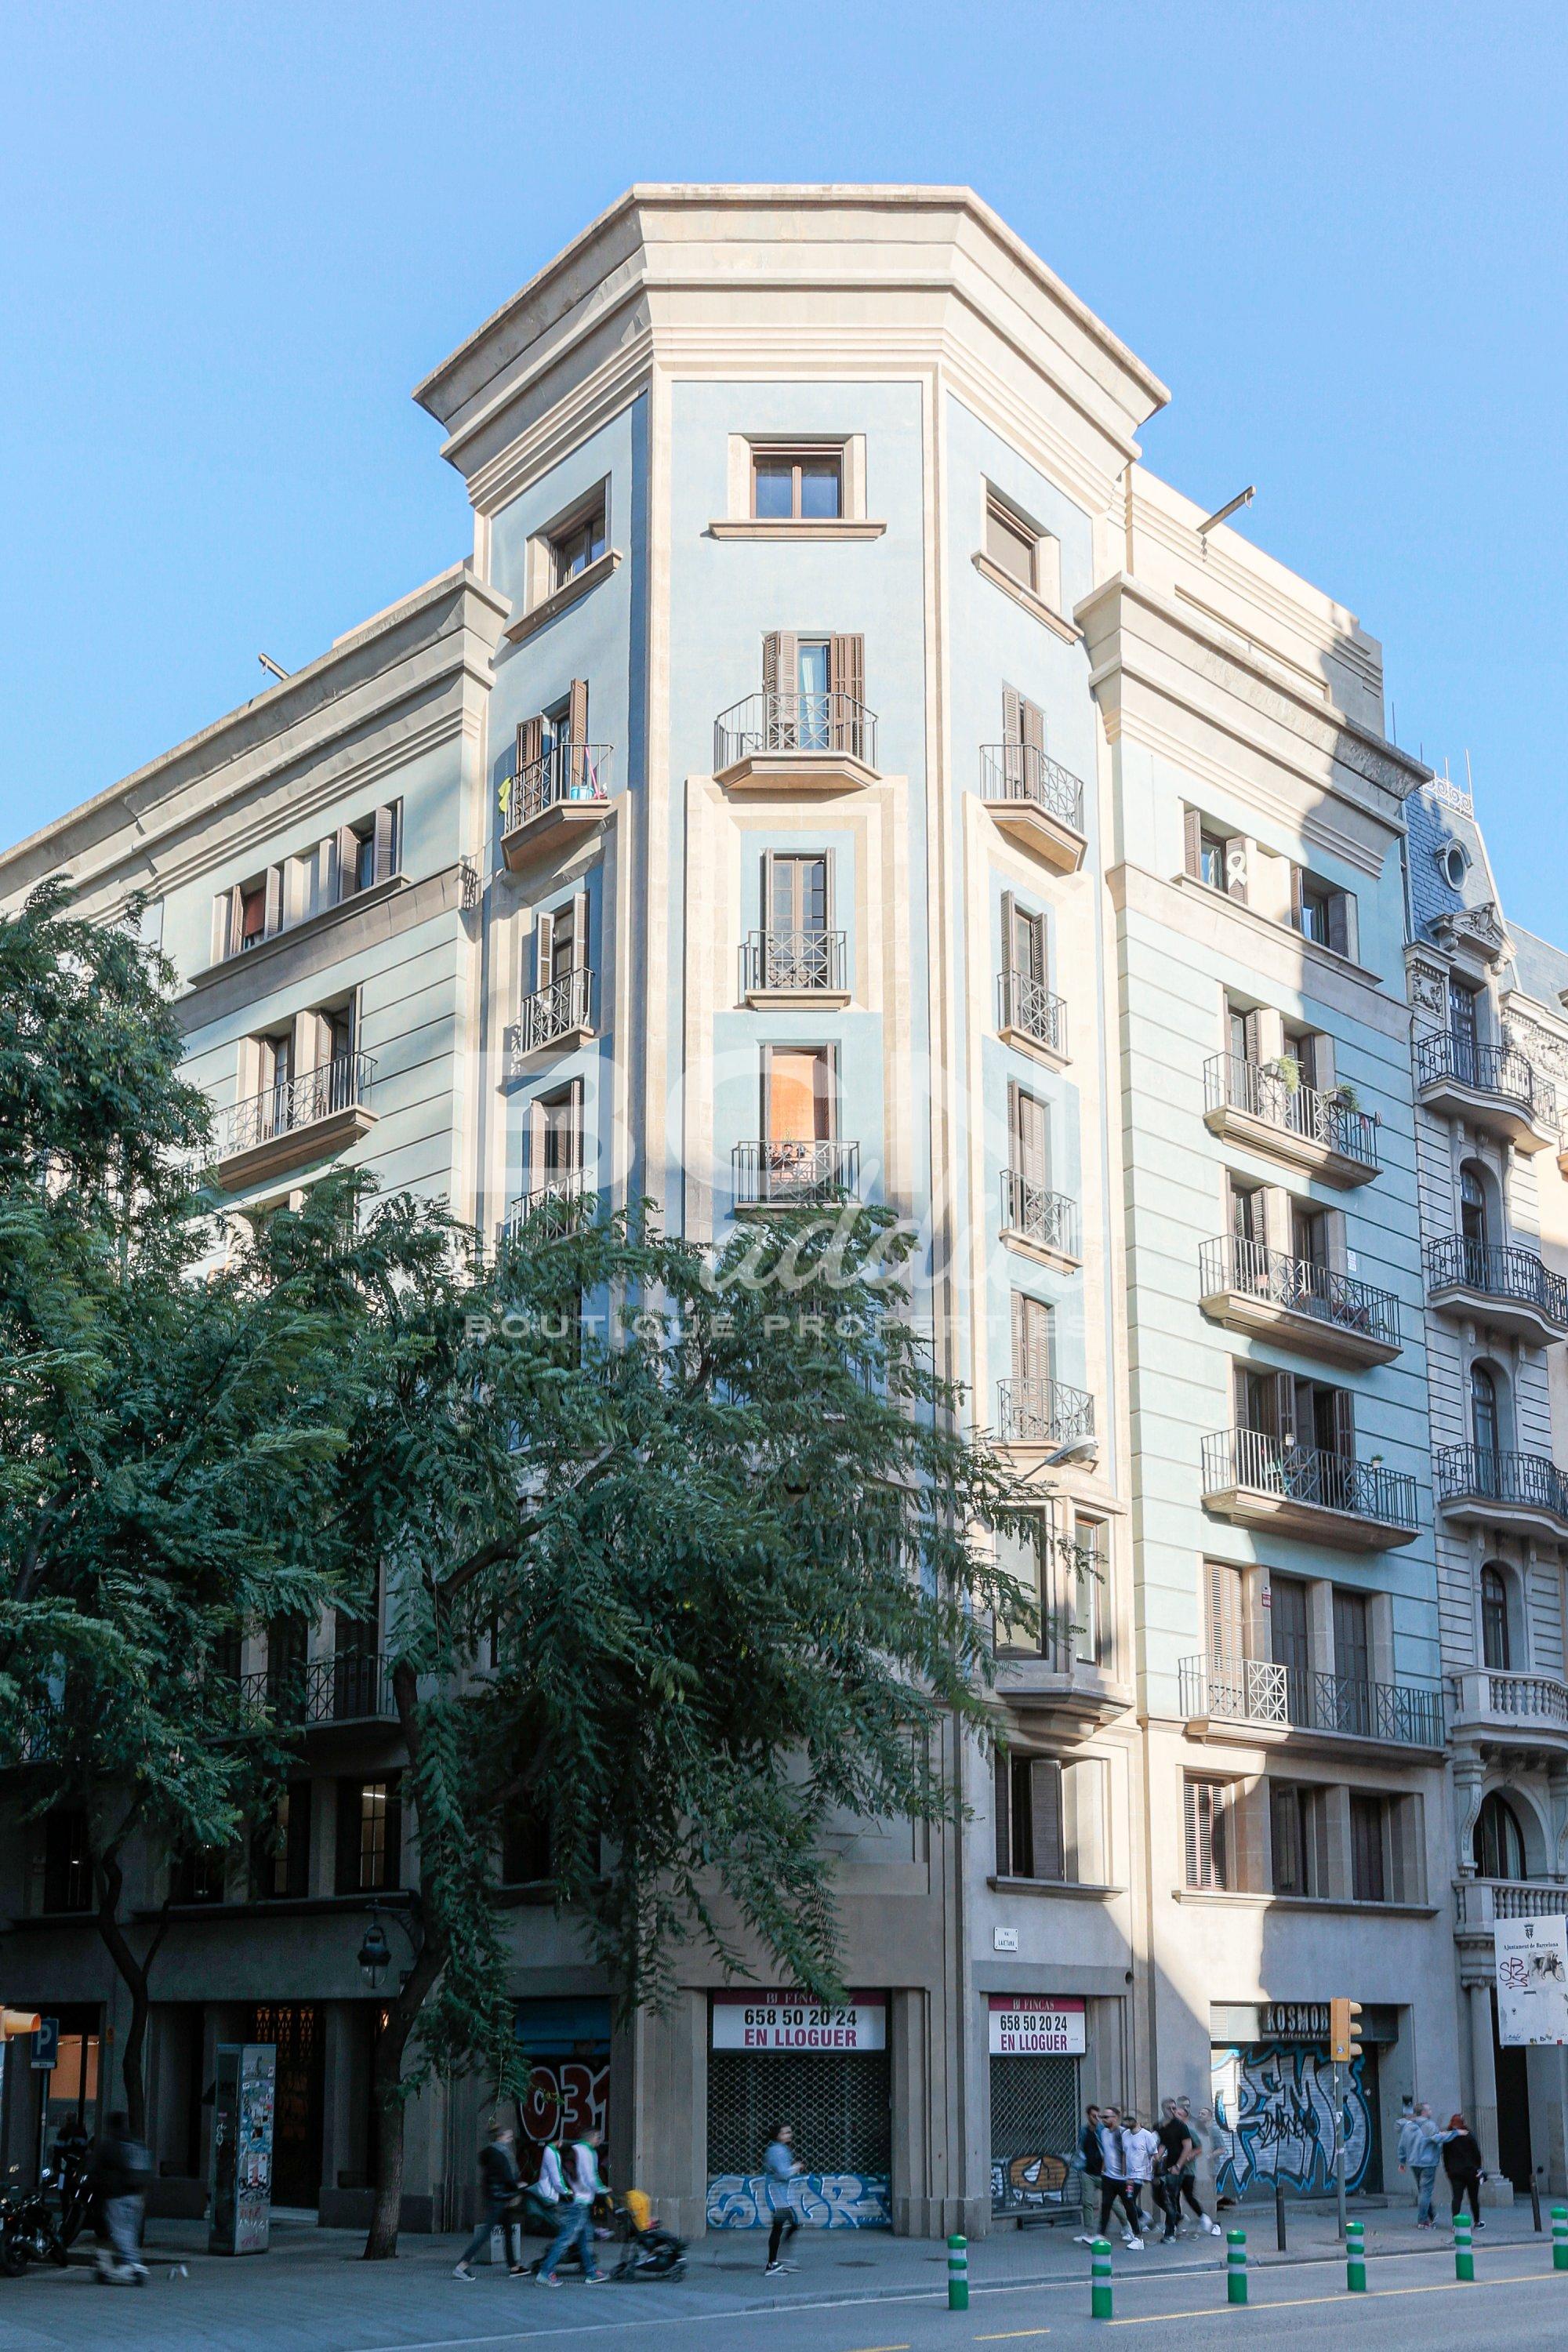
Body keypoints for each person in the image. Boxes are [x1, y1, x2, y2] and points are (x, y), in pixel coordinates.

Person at [453, 2118, 526, 2280]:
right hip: (498, 2199)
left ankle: (514, 2267)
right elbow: (507, 2177)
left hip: (497, 2198)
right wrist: (518, 2186)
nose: (510, 2139)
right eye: (508, 2136)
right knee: (486, 2233)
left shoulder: (492, 2153)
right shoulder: (500, 2154)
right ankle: (462, 2265)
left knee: (508, 2230)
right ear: (500, 2137)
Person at [537, 2126, 610, 2285]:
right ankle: (545, 2272)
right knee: (566, 2239)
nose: (600, 2140)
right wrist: (602, 2189)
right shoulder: (589, 2152)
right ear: (592, 2137)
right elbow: (591, 2176)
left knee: (583, 2240)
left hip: (572, 2200)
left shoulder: (573, 2150)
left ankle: (591, 2272)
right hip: (579, 2203)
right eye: (598, 2137)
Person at [89, 2110, 151, 2285]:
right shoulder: (135, 2144)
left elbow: (95, 2170)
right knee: (130, 2231)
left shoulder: (109, 2145)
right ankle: (130, 2263)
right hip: (136, 2195)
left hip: (116, 2195)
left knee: (120, 2231)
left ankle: (132, 2265)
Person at [1156, 2099, 1220, 2239]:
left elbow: (1199, 2149)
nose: (1175, 2115)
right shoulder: (1170, 2130)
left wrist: (1188, 2156)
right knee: (1174, 2197)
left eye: (1179, 2114)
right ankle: (1176, 2225)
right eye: (1175, 2113)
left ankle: (1206, 2220)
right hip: (1174, 2170)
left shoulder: (1189, 2132)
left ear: (1185, 2118)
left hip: (1187, 2171)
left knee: (1188, 2196)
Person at [1096, 2107, 1145, 2249]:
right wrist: (1103, 2171)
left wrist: (1129, 2176)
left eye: (1106, 2117)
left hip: (1124, 2179)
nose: (1103, 2120)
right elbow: (1106, 2153)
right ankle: (1101, 2235)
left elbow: (1129, 2155)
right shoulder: (1104, 2133)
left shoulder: (1124, 2133)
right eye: (1102, 2117)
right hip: (1109, 2178)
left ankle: (1138, 2238)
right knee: (1106, 2205)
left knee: (1129, 2206)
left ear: (1115, 2118)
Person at [762, 2122, 804, 2275]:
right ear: (778, 2135)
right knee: (780, 2227)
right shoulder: (777, 2151)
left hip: (781, 2196)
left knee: (791, 2224)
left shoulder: (780, 2149)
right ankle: (772, 2263)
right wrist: (796, 2167)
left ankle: (778, 2260)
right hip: (777, 2196)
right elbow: (783, 2174)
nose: (789, 2135)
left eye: (789, 2132)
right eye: (786, 2132)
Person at [1397, 2102, 1443, 2230]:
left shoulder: (1408, 2126)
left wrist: (1402, 2162)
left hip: (1414, 2162)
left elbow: (1402, 2145)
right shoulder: (1431, 2125)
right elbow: (1439, 2142)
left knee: (1423, 2191)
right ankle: (1423, 2220)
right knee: (1426, 2191)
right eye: (1429, 2109)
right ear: (1423, 2112)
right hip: (1428, 2163)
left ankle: (1431, 2215)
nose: (1431, 2111)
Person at [1440, 2113, 1485, 2228]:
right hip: (1471, 2171)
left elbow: (1445, 2156)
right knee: (1473, 2198)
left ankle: (1455, 2224)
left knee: (1457, 2198)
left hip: (1455, 2172)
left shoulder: (1448, 2137)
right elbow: (1477, 2154)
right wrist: (1478, 2168)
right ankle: (1477, 2222)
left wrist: (1448, 2169)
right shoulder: (1469, 2135)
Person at [1121, 2111, 1160, 2241]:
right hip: (1128, 2175)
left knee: (1129, 2200)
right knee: (1128, 2201)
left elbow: (1155, 2156)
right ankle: (1144, 2217)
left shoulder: (1146, 2135)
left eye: (1130, 2120)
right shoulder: (1125, 2135)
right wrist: (1123, 2173)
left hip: (1140, 2174)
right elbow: (1124, 2154)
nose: (1127, 2122)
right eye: (1126, 2120)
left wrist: (1153, 2174)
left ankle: (1134, 2231)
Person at [1072, 2104, 1103, 2244]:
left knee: (1114, 2203)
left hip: (1102, 2172)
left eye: (1098, 2116)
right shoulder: (1084, 2131)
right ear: (1088, 2116)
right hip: (1088, 2171)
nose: (1096, 2118)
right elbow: (1080, 2148)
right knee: (1087, 2202)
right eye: (1093, 2116)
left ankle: (1128, 2228)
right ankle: (1088, 2232)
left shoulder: (1102, 2130)